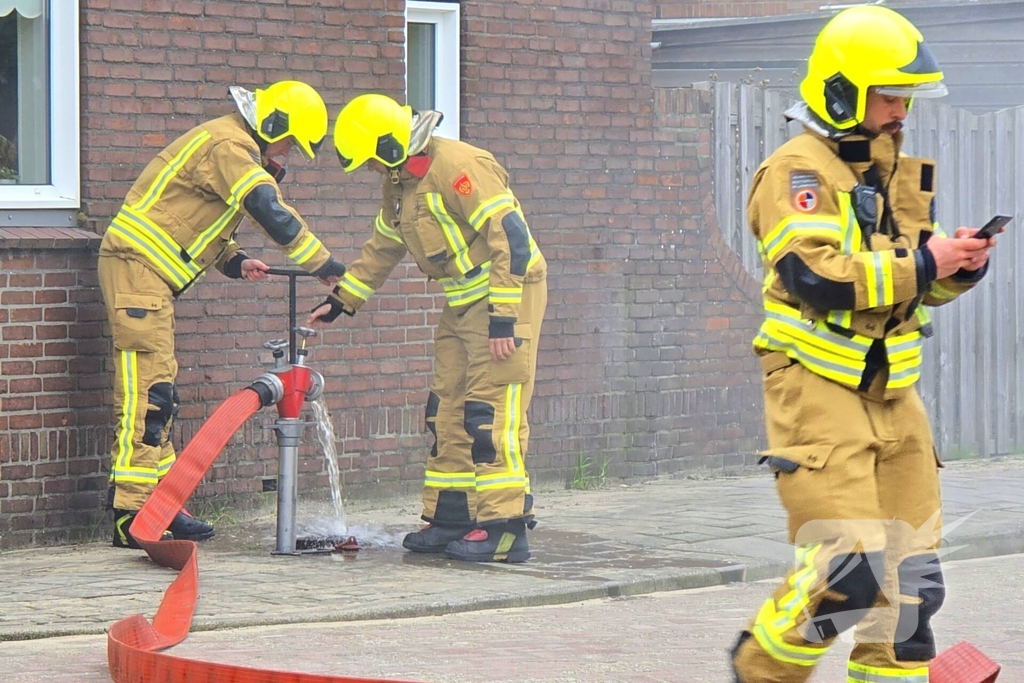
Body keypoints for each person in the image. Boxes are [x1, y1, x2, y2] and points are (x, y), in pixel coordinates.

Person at [730, 6, 998, 681]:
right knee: (846, 577)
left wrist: (955, 268)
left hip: (896, 398)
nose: (901, 109)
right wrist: (927, 263)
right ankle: (760, 670)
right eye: (888, 93)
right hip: (818, 395)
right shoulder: (796, 171)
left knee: (913, 590)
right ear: (842, 90)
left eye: (906, 95)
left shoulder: (891, 173)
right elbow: (812, 275)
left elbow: (903, 291)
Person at [98, 81, 346, 549]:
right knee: (147, 395)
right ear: (273, 125)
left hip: (145, 274)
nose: (288, 153)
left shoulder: (227, 144)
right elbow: (265, 207)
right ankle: (131, 513)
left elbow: (196, 219)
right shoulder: (230, 146)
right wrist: (324, 266)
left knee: (162, 393)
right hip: (136, 271)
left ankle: (161, 505)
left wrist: (234, 260)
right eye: (289, 141)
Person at [309, 94, 547, 563]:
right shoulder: (400, 183)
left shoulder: (461, 166)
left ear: (391, 147)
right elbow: (384, 244)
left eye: (373, 162)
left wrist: (503, 316)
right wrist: (343, 301)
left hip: (506, 297)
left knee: (491, 410)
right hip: (462, 304)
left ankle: (504, 529)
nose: (373, 172)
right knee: (448, 408)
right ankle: (452, 516)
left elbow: (510, 240)